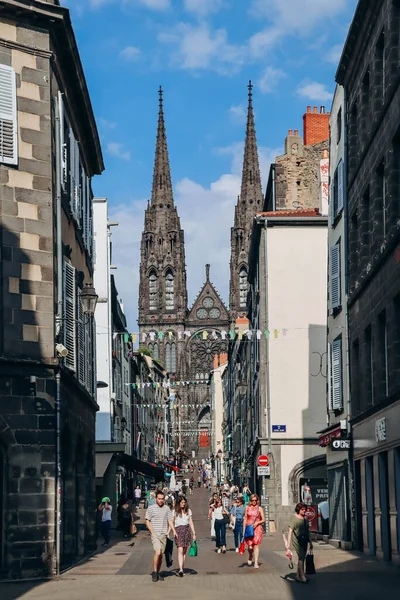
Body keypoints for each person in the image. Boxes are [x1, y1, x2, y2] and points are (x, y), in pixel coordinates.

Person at [145, 490, 176, 583]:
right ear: (156, 499)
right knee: (158, 552)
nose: (161, 501)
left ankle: (158, 572)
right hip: (155, 534)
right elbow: (147, 520)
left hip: (163, 535)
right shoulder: (151, 508)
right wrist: (152, 531)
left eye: (162, 499)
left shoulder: (166, 509)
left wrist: (174, 531)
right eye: (159, 499)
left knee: (161, 555)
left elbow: (170, 520)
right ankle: (154, 572)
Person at [286, 502, 312, 583]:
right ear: (298, 509)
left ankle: (298, 576)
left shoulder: (305, 518)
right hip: (296, 540)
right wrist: (288, 544)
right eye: (302, 509)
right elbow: (290, 531)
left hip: (304, 540)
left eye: (305, 509)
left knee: (302, 557)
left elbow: (308, 531)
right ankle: (302, 576)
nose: (304, 511)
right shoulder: (294, 518)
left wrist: (310, 542)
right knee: (301, 557)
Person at [173, 497, 196, 577]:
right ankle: (181, 569)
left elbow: (190, 522)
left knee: (184, 551)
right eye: (182, 502)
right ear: (179, 503)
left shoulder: (188, 511)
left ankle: (182, 567)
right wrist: (170, 532)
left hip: (186, 531)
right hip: (178, 531)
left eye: (184, 502)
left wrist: (194, 533)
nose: (183, 504)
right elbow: (171, 522)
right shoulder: (175, 511)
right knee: (180, 550)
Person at [243, 494, 265, 568]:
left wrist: (258, 522)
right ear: (250, 500)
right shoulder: (247, 507)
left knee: (256, 545)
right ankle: (250, 555)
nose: (254, 502)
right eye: (252, 500)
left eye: (255, 500)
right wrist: (243, 529)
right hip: (249, 528)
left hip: (257, 528)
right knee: (250, 547)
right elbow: (245, 518)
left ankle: (256, 563)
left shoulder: (260, 508)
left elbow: (264, 519)